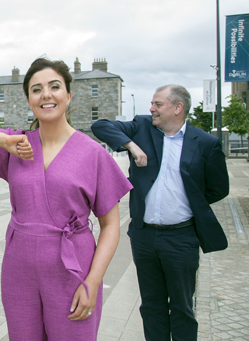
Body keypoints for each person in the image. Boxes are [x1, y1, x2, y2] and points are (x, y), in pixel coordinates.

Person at [0, 58, 132, 340]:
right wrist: (2, 141)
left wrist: (92, 282)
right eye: (36, 89)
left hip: (72, 267)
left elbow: (111, 226)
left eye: (54, 86)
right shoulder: (16, 144)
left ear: (68, 95)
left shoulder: (93, 154)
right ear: (29, 99)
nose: (46, 94)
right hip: (19, 267)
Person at [91, 84, 229, 341]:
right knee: (151, 305)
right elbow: (100, 126)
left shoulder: (205, 143)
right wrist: (131, 146)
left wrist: (188, 202)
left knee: (182, 307)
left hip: (182, 238)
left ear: (178, 108)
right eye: (152, 104)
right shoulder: (142, 127)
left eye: (158, 104)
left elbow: (219, 189)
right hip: (144, 238)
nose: (151, 108)